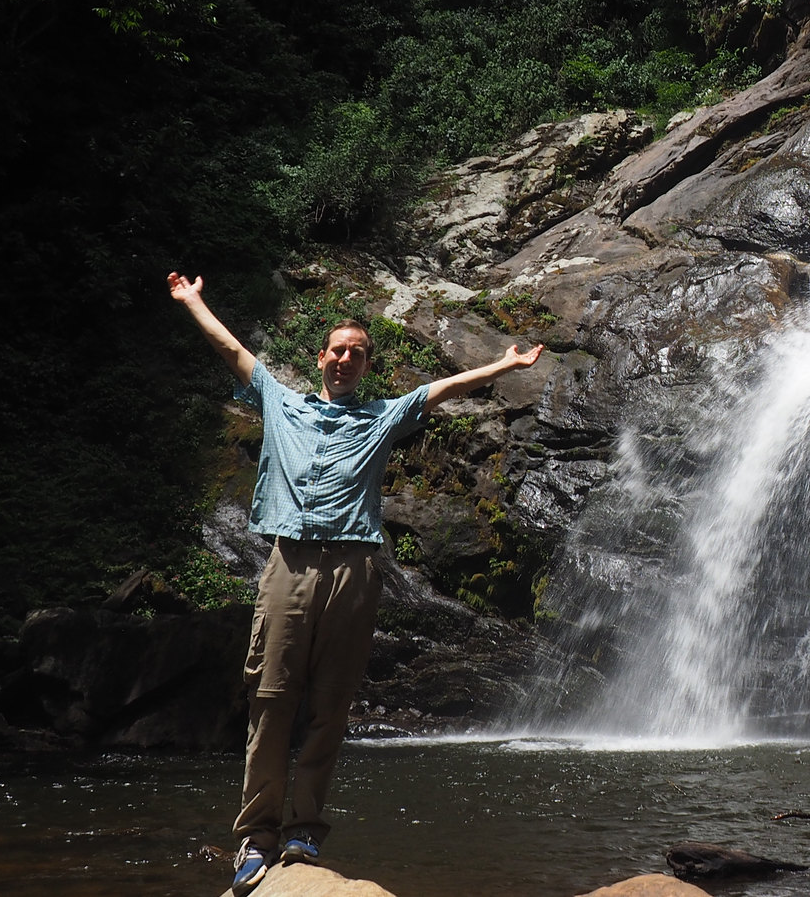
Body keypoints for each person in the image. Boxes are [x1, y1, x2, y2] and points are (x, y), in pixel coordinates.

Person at [167, 272, 543, 894]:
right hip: (289, 563)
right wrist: (192, 301)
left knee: (331, 705)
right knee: (271, 698)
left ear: (366, 365)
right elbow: (231, 350)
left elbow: (441, 389)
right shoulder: (281, 403)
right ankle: (256, 838)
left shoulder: (380, 418)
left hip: (356, 568)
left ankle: (303, 831)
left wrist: (502, 365)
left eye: (357, 353)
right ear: (322, 358)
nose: (345, 358)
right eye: (337, 349)